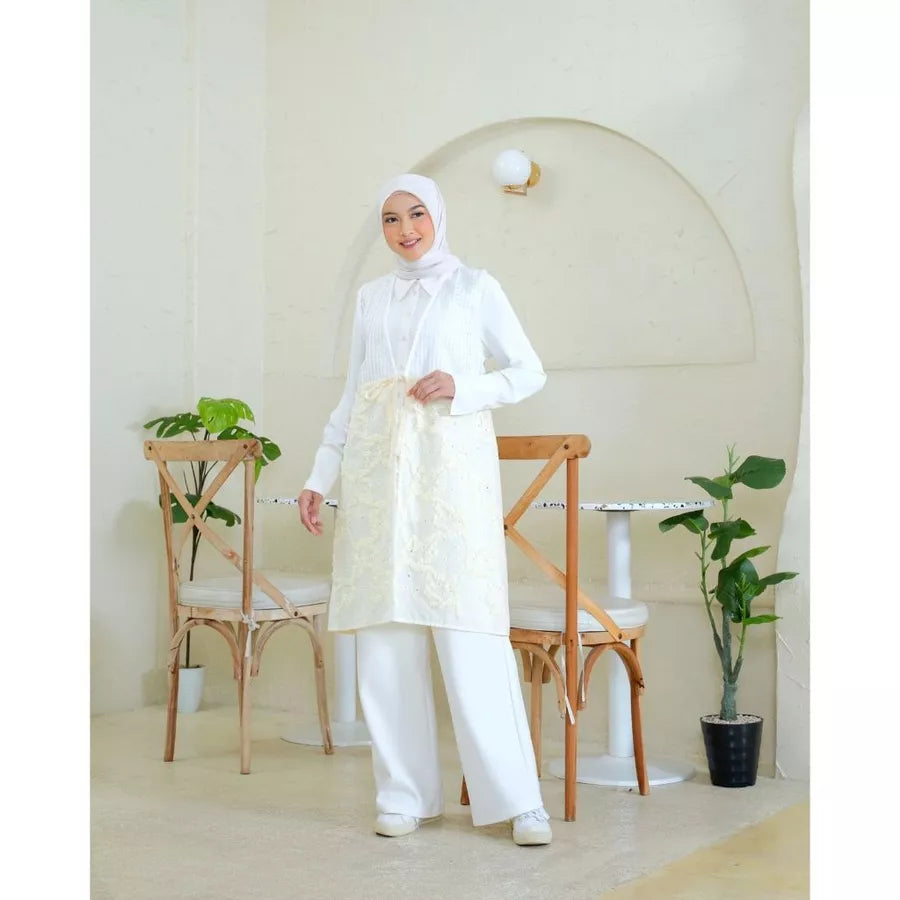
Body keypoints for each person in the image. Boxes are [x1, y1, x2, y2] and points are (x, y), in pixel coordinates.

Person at [298, 173, 551, 846]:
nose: (405, 228)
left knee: (470, 632)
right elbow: (353, 393)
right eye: (389, 218)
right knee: (387, 637)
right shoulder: (370, 297)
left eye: (415, 214)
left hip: (450, 478)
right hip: (379, 480)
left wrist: (464, 385)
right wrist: (321, 475)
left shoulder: (476, 288)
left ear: (437, 216)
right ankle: (405, 795)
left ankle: (519, 801)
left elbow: (528, 371)